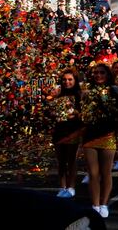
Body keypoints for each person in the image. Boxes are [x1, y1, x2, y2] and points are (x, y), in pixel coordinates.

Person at [80, 62, 118, 218]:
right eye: (96, 73)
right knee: (93, 173)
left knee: (106, 172)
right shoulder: (86, 91)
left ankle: (104, 204)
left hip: (108, 134)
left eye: (102, 73)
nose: (98, 75)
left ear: (108, 75)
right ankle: (95, 205)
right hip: (89, 135)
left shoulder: (114, 90)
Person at [50, 68, 83, 198]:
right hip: (59, 130)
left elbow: (84, 115)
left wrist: (74, 114)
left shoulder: (80, 95)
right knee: (61, 161)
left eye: (70, 79)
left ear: (75, 80)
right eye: (64, 80)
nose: (67, 82)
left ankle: (71, 186)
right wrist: (53, 113)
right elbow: (52, 113)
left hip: (73, 130)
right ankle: (62, 186)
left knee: (71, 159)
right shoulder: (57, 95)